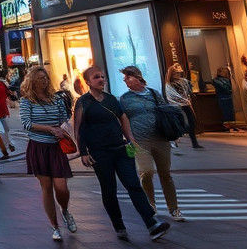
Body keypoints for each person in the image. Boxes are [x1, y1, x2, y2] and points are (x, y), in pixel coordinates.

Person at [73, 66, 170, 242]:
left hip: (120, 149)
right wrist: (83, 152)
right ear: (88, 82)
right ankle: (118, 225)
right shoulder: (83, 102)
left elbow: (123, 118)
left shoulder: (111, 100)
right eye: (96, 77)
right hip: (99, 153)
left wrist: (131, 141)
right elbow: (78, 128)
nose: (101, 79)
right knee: (109, 190)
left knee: (133, 184)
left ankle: (151, 222)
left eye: (102, 76)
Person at [119, 65, 183, 221]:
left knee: (165, 174)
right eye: (125, 78)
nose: (125, 80)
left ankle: (174, 209)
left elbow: (166, 113)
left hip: (160, 139)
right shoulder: (125, 98)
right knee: (146, 172)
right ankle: (150, 205)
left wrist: (173, 135)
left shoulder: (154, 93)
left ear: (137, 77)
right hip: (138, 141)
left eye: (128, 77)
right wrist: (128, 139)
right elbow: (122, 119)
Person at [19, 64, 74, 241]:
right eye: (40, 78)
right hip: (38, 147)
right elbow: (27, 123)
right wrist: (50, 129)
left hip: (56, 147)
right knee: (47, 187)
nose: (44, 81)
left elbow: (63, 118)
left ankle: (65, 210)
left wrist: (62, 129)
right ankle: (55, 226)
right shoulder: (26, 101)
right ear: (32, 81)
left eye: (45, 78)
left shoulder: (55, 99)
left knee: (62, 187)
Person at [164, 64, 202, 149]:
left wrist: (188, 97)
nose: (178, 75)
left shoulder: (184, 81)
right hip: (176, 106)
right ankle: (173, 140)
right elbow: (171, 96)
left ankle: (194, 142)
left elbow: (188, 91)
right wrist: (182, 100)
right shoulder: (169, 84)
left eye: (179, 73)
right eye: (175, 73)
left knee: (191, 122)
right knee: (180, 124)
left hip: (186, 104)